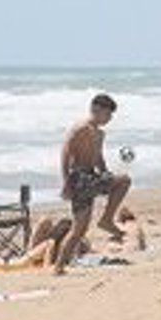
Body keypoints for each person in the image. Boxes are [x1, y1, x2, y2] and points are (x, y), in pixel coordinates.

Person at [56, 93, 132, 274]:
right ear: (95, 110)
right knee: (125, 181)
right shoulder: (81, 128)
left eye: (111, 116)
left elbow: (98, 158)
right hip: (79, 179)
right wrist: (65, 182)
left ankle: (59, 267)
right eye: (108, 114)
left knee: (79, 229)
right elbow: (65, 154)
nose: (109, 119)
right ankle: (106, 220)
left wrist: (105, 172)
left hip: (91, 177)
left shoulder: (100, 134)